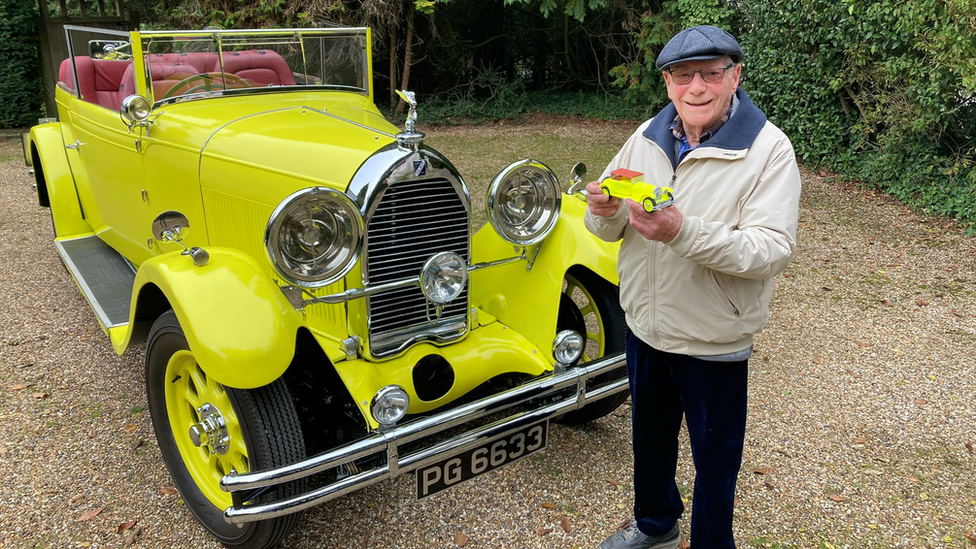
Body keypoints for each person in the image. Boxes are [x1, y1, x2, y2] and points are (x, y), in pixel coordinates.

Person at [585, 25, 801, 549]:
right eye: (684, 76)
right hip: (645, 326)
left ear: (736, 76)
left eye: (711, 73)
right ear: (667, 84)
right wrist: (602, 211)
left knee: (715, 459)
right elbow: (605, 228)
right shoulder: (646, 135)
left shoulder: (769, 149)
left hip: (714, 336)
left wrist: (683, 232)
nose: (697, 88)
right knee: (650, 442)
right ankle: (657, 526)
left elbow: (770, 250)